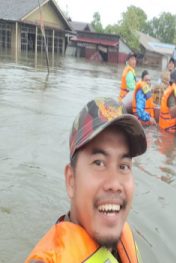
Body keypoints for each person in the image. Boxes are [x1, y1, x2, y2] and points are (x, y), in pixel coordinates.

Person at [25, 98, 146, 263]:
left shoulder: (122, 237)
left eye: (123, 166)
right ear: (71, 180)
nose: (114, 184)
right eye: (99, 163)